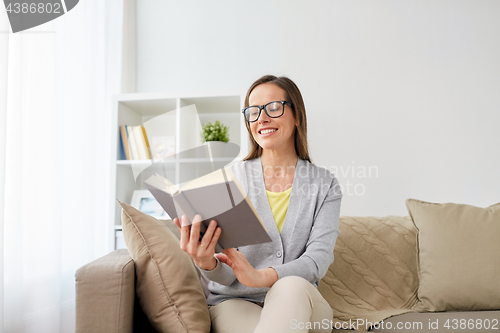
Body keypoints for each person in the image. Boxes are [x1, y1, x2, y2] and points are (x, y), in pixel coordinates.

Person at [174, 75, 342, 333]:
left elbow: (317, 260)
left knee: (291, 285)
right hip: (236, 301)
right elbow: (227, 273)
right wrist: (206, 262)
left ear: (297, 116)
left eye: (273, 108)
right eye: (253, 112)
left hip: (303, 300)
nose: (261, 118)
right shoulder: (229, 180)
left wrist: (263, 277)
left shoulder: (325, 184)